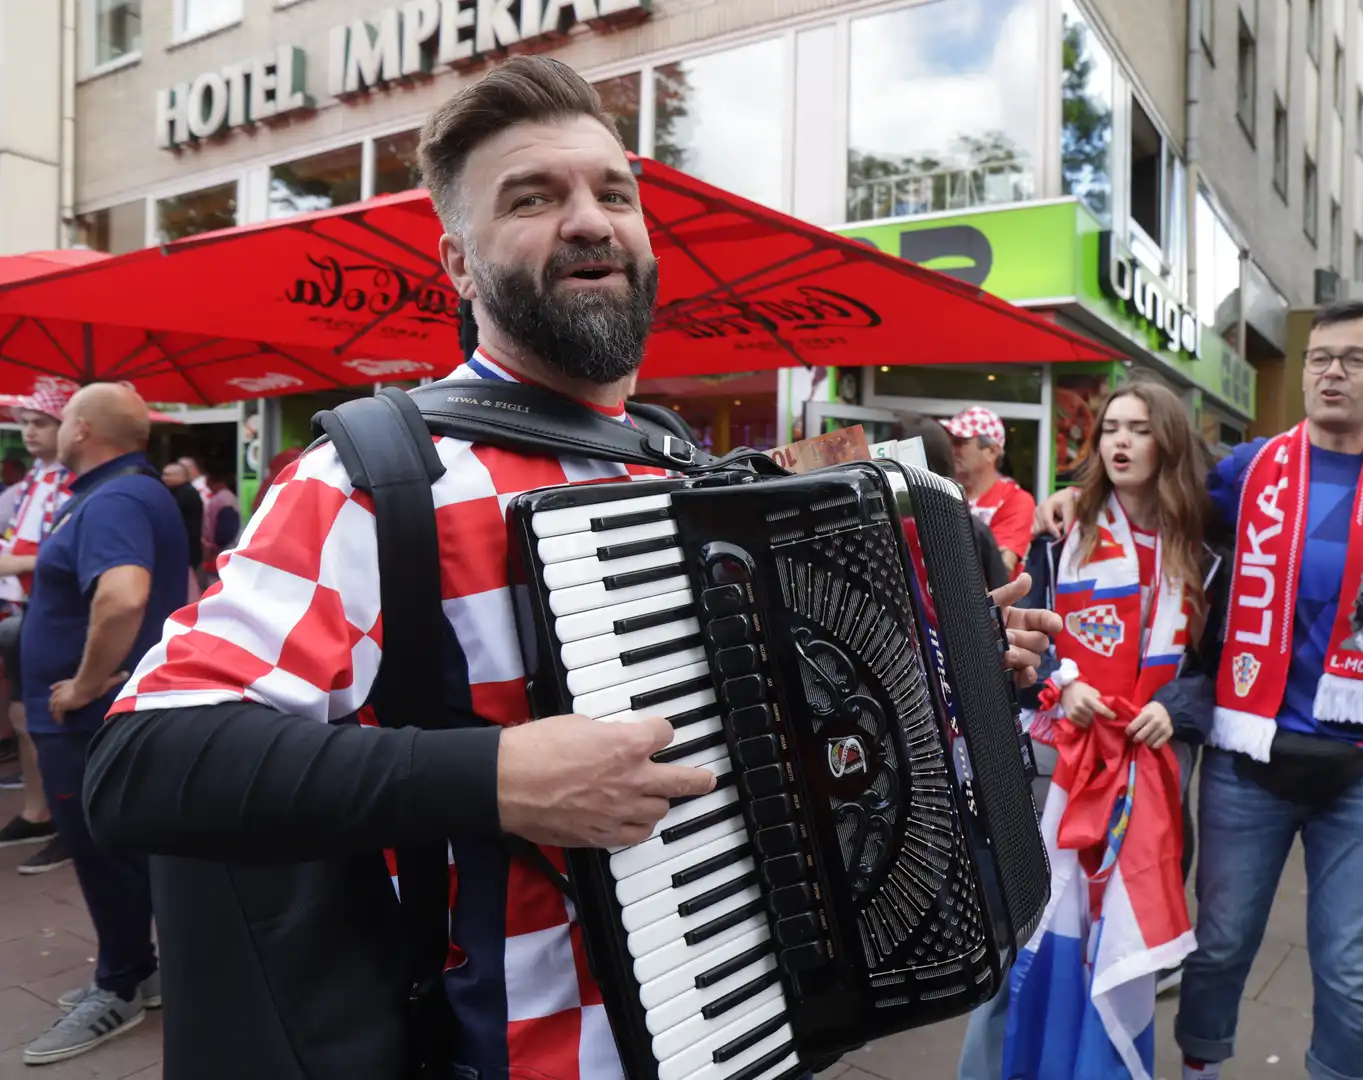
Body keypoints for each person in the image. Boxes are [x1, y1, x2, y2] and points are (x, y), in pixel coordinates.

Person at [83, 56, 1061, 1079]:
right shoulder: (380, 480)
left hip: (752, 1023)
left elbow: (797, 736)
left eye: (614, 194)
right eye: (533, 197)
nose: (590, 219)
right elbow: (141, 764)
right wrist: (495, 777)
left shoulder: (686, 466)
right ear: (459, 264)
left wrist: (949, 673)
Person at [1041, 300, 1363, 1080]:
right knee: (1217, 947)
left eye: (1355, 359)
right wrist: (1077, 499)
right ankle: (1201, 1071)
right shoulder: (1248, 472)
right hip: (1247, 762)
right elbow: (1159, 511)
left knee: (1351, 972)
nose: (1331, 372)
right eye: (1320, 357)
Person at [964, 379, 1228, 1080]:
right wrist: (1064, 680)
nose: (1119, 440)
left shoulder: (1203, 546)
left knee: (1116, 950)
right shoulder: (1064, 531)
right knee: (1024, 941)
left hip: (1149, 771)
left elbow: (1217, 664)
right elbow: (1022, 632)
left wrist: (1178, 707)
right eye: (1110, 426)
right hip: (1058, 765)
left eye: (1140, 428)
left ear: (1167, 441)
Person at [19, 383, 186, 1065]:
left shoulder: (115, 496)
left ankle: (118, 984)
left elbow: (122, 598)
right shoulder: (125, 491)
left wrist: (84, 684)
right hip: (95, 711)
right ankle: (139, 970)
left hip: (86, 714)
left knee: (101, 850)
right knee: (114, 850)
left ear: (82, 429)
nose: (50, 429)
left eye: (59, 421)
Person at [0, 387, 75, 877]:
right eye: (25, 422)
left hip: (54, 611)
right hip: (25, 607)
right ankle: (37, 812)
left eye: (40, 422)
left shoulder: (74, 481)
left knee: (53, 719)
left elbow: (71, 553)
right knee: (23, 713)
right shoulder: (34, 479)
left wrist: (15, 560)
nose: (29, 431)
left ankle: (71, 825)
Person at [890, 413, 1008, 591]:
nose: (956, 451)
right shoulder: (971, 527)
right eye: (950, 443)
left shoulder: (869, 526)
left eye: (960, 442)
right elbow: (1003, 602)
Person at [944, 405, 1035, 578]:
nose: (951, 450)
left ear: (991, 452)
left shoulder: (1015, 500)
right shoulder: (941, 493)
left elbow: (999, 571)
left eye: (960, 442)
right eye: (949, 442)